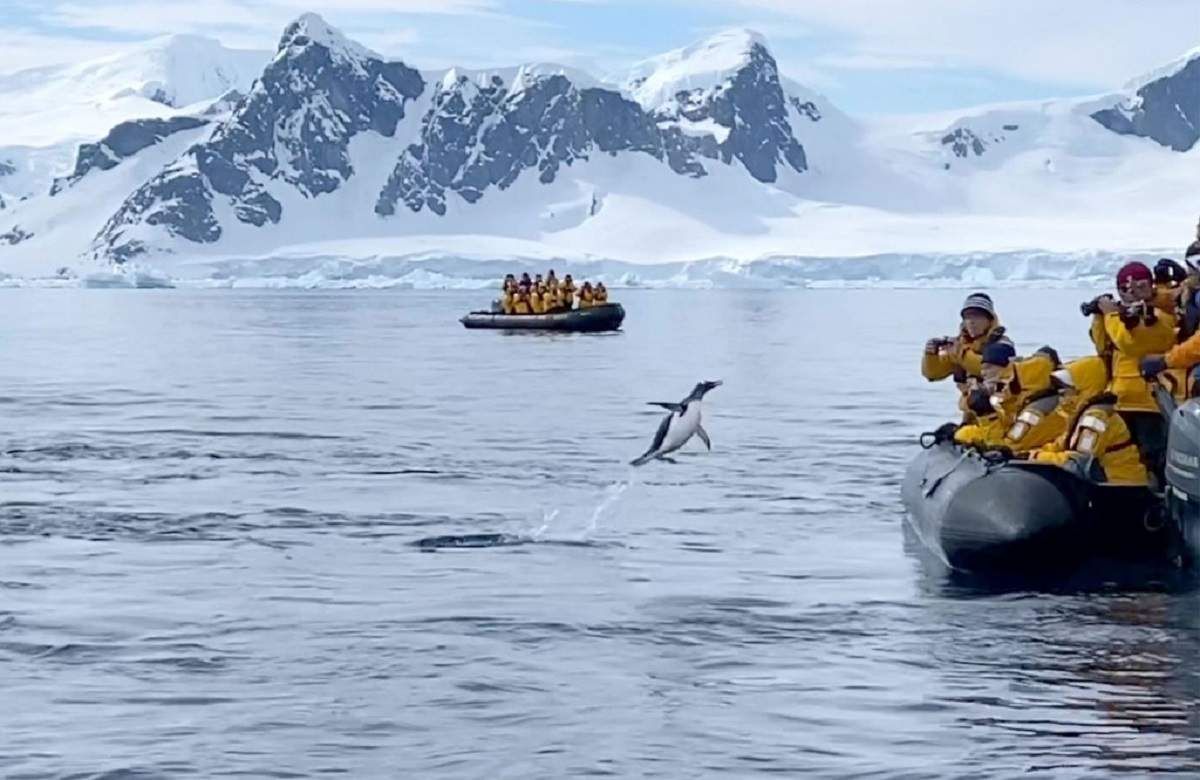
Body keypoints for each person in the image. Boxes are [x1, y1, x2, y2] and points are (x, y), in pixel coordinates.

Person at [1087, 261, 1176, 477]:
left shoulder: (1159, 316)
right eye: (1124, 289)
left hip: (1150, 401)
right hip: (1120, 399)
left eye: (1139, 285)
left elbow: (1130, 344)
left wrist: (1111, 315)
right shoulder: (1122, 317)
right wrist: (1099, 317)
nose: (1131, 293)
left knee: (1154, 457)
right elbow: (1104, 347)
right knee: (1123, 456)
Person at [1029, 356, 1148, 486]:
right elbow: (1060, 446)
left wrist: (1038, 457)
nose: (1062, 399)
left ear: (1084, 389)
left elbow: (1079, 462)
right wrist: (1029, 454)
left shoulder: (1095, 418)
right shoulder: (1079, 415)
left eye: (1066, 392)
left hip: (1119, 486)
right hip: (1107, 484)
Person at [922, 292, 1013, 421]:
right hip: (972, 413)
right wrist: (930, 355)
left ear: (989, 320)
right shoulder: (959, 345)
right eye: (967, 317)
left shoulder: (1002, 345)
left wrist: (961, 354)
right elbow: (933, 375)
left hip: (1001, 413)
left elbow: (989, 369)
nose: (971, 322)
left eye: (977, 316)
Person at [953, 345, 1062, 452]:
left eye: (988, 367)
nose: (983, 373)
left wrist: (987, 415)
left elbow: (1011, 445)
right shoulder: (1003, 393)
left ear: (1003, 367)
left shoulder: (1034, 401)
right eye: (982, 368)